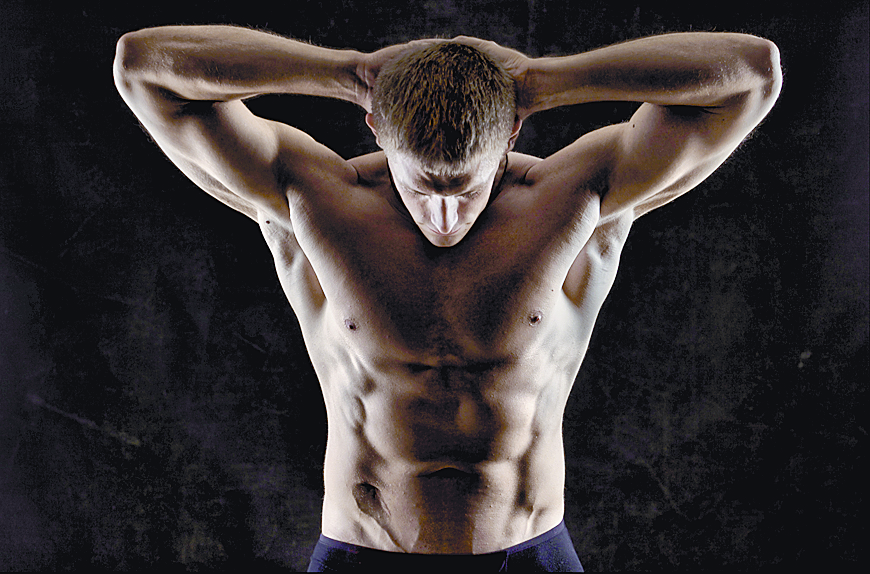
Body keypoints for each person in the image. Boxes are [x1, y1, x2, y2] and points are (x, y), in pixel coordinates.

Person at [113, 25, 781, 571]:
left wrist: (541, 82)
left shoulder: (578, 200)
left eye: (465, 189)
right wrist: (350, 72)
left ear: (510, 137)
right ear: (377, 129)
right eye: (421, 187)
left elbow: (752, 73)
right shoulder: (314, 201)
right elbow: (143, 67)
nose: (442, 216)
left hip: (528, 551)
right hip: (361, 552)